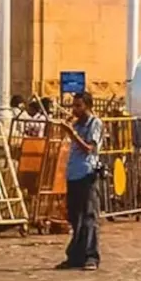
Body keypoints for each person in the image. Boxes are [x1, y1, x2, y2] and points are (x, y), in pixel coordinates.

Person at [56, 89, 104, 271]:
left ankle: (91, 256)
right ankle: (76, 256)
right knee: (75, 217)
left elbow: (89, 149)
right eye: (73, 106)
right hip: (73, 173)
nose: (74, 109)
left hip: (87, 173)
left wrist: (72, 133)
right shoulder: (77, 124)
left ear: (87, 106)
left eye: (78, 106)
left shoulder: (94, 124)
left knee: (89, 216)